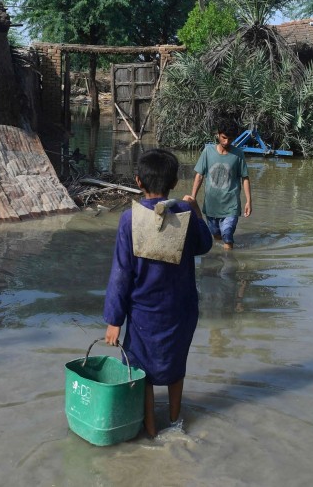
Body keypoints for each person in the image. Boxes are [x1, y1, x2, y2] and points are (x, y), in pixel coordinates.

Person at [103, 148, 213, 438]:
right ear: (174, 182)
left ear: (138, 181)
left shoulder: (130, 220)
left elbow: (121, 273)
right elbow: (204, 246)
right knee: (176, 366)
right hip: (181, 309)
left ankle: (151, 429)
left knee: (142, 372)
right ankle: (176, 423)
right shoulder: (185, 212)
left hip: (144, 312)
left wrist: (114, 320)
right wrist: (197, 211)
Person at [191, 120, 252, 250]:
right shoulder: (208, 152)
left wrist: (248, 201)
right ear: (218, 135)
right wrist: (193, 197)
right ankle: (218, 261)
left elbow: (245, 178)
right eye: (224, 138)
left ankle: (229, 266)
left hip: (231, 205)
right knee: (216, 235)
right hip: (212, 205)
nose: (226, 142)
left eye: (230, 139)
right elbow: (199, 175)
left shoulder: (238, 154)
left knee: (228, 236)